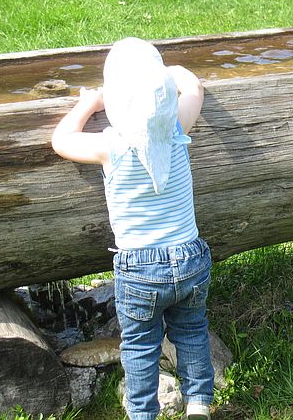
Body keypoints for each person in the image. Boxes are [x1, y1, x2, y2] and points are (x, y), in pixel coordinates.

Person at [52, 37, 214, 419]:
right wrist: (171, 73)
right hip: (190, 258)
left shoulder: (112, 145)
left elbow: (61, 140)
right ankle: (198, 405)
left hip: (140, 269)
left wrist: (89, 102)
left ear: (116, 103)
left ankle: (142, 413)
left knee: (140, 345)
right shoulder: (176, 128)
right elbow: (194, 88)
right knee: (191, 331)